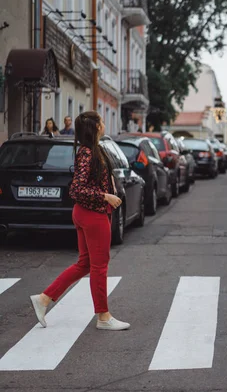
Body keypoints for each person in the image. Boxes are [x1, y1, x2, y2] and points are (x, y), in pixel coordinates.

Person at [29, 111, 130, 331]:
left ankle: (44, 298)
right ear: (94, 127)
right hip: (92, 215)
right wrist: (105, 196)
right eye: (101, 121)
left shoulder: (93, 150)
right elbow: (77, 188)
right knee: (99, 266)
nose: (104, 124)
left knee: (85, 264)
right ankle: (103, 316)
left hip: (85, 213)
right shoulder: (87, 153)